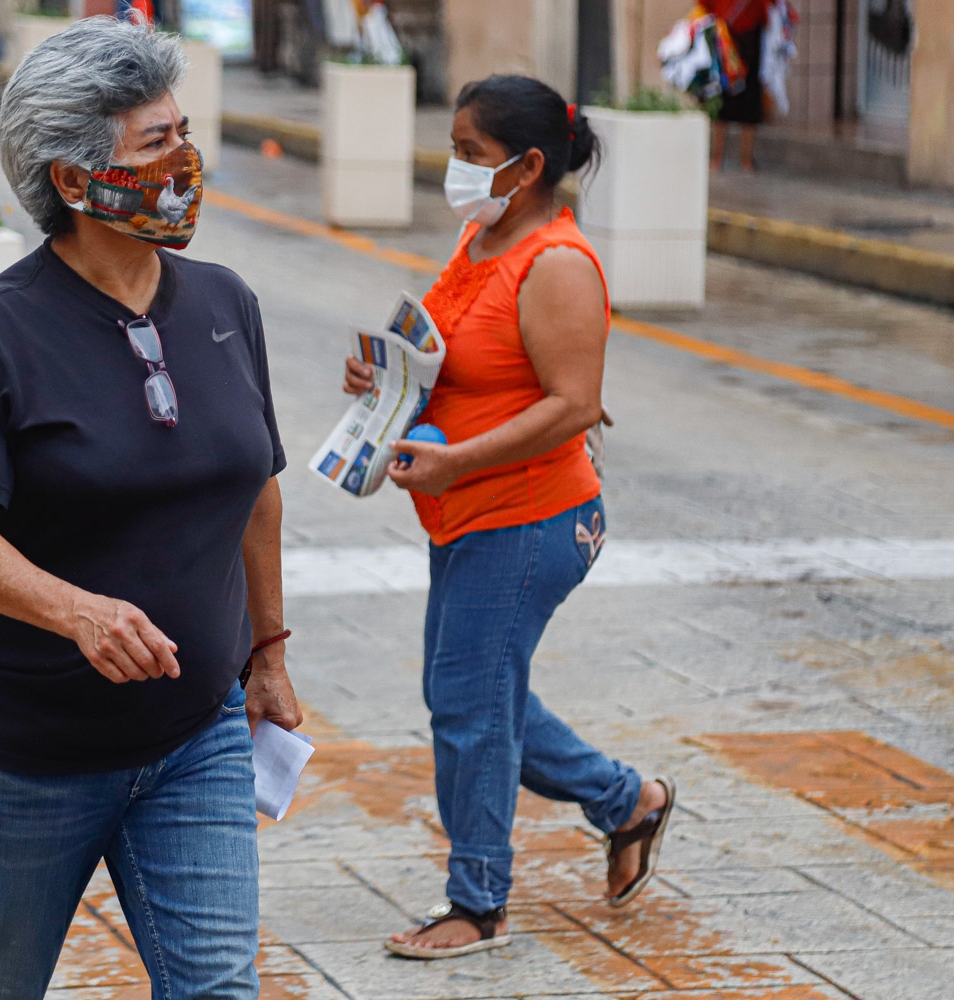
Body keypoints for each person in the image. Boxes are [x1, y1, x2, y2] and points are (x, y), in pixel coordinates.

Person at [0, 16, 302, 999]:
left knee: (217, 988)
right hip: (31, 757)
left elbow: (256, 490)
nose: (187, 162)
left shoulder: (224, 302)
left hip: (195, 734)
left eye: (185, 132)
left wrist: (269, 651)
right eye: (156, 143)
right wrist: (77, 610)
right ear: (74, 183)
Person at [342, 74, 677, 959]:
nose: (454, 169)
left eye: (470, 154)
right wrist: (387, 378)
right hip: (465, 514)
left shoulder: (558, 266)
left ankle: (478, 902)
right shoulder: (480, 236)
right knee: (475, 695)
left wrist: (454, 458)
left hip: (530, 520)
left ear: (528, 166)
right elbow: (447, 353)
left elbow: (574, 404)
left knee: (469, 706)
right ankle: (627, 801)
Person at [704, 0, 772, 171]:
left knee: (748, 102)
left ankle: (745, 160)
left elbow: (767, 13)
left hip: (750, 42)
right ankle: (718, 158)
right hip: (726, 42)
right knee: (723, 101)